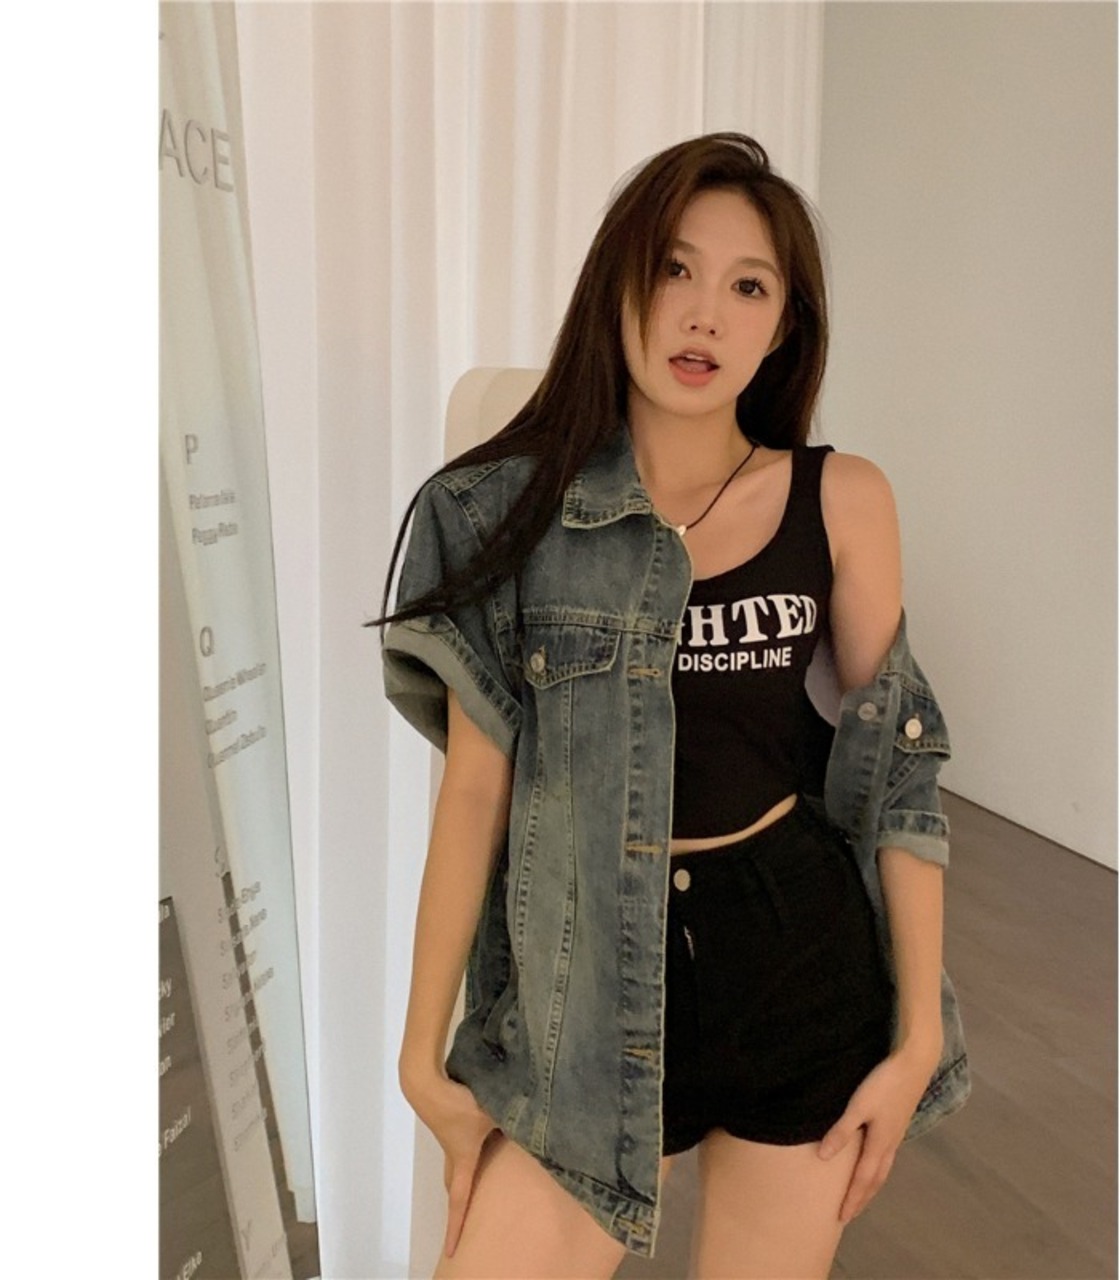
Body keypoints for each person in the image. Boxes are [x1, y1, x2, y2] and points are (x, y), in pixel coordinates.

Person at [379, 133, 969, 1279]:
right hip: (585, 988)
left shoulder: (839, 498)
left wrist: (914, 1040)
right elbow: (474, 794)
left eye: (746, 286)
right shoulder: (503, 511)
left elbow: (898, 769)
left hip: (794, 966)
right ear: (617, 282)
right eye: (673, 269)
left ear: (782, 324)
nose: (703, 313)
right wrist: (421, 1056)